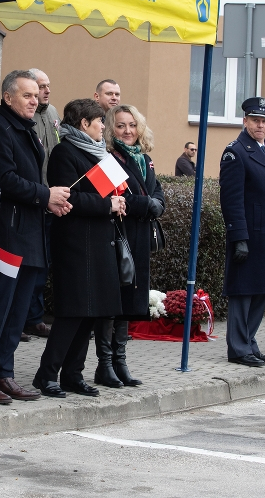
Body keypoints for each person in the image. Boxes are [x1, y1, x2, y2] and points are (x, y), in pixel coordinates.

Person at [0, 70, 70, 405]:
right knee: (0, 307)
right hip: (9, 232)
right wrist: (45, 195)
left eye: (36, 95)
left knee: (18, 312)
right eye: (27, 95)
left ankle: (3, 373)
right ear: (7, 97)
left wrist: (47, 201)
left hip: (30, 231)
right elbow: (5, 180)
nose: (34, 100)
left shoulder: (27, 128)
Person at [32, 99, 125, 398]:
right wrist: (107, 205)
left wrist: (117, 202)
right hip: (75, 244)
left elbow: (104, 191)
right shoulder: (65, 152)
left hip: (99, 241)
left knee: (90, 313)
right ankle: (47, 375)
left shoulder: (98, 153)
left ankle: (73, 375)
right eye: (99, 121)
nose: (103, 127)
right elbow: (68, 198)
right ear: (84, 123)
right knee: (72, 313)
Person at [219, 97, 265, 368]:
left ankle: (249, 342)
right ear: (245, 121)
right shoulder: (236, 152)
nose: (260, 125)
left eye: (264, 121)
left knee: (262, 290)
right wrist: (239, 237)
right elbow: (232, 200)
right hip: (249, 235)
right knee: (243, 292)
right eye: (255, 120)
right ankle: (238, 348)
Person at [100, 104, 164, 386]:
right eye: (121, 125)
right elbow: (117, 196)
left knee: (129, 301)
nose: (128, 131)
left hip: (140, 237)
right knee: (113, 301)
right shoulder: (108, 159)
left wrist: (156, 204)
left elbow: (157, 192)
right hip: (119, 236)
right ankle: (105, 365)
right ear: (111, 129)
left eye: (132, 125)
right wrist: (147, 204)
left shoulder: (145, 159)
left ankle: (120, 362)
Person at [24, 67, 60, 340]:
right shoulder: (25, 116)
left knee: (43, 263)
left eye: (47, 86)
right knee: (28, 263)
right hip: (32, 197)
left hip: (52, 199)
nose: (46, 91)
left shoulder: (53, 113)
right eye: (41, 86)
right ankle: (22, 319)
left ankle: (34, 318)